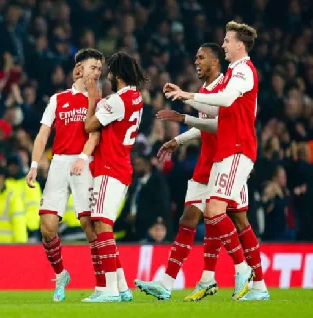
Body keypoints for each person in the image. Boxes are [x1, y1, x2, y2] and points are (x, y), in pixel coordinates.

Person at [163, 21, 268, 301]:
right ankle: (257, 286)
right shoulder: (235, 71)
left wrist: (188, 96)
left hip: (236, 149)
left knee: (218, 212)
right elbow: (214, 108)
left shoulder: (244, 71)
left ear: (239, 45)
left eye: (227, 40)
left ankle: (243, 270)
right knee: (223, 215)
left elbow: (226, 99)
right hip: (227, 152)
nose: (223, 44)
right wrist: (186, 103)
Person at [25, 49, 104, 302]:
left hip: (85, 162)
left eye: (100, 69)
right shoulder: (58, 99)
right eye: (93, 67)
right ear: (79, 69)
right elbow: (42, 134)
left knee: (89, 227)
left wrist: (82, 158)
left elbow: (95, 134)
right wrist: (34, 165)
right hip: (58, 163)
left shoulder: (99, 101)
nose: (97, 73)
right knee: (47, 228)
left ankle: (102, 286)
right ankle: (61, 275)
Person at [82, 51, 148, 302]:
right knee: (103, 224)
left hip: (110, 167)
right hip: (121, 166)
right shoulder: (136, 97)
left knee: (101, 224)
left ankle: (109, 290)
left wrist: (93, 98)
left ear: (118, 75)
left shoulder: (117, 101)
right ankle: (121, 286)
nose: (107, 76)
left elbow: (89, 126)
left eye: (110, 72)